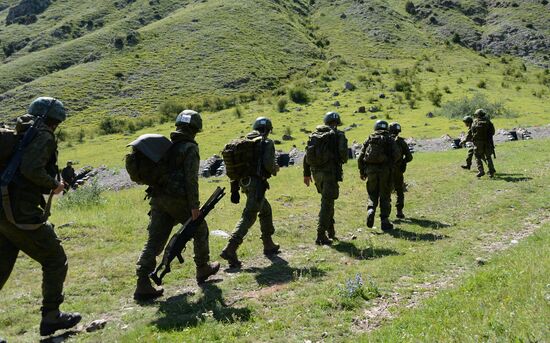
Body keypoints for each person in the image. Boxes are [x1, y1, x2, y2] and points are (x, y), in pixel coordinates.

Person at [0, 97, 82, 336]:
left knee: (1, 268)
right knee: (55, 258)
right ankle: (51, 316)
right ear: (55, 120)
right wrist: (55, 185)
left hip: (3, 213)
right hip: (20, 214)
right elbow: (31, 169)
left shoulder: (19, 134)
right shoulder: (43, 135)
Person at [134, 110, 219, 301]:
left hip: (157, 198)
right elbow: (191, 180)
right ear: (196, 128)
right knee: (200, 229)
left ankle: (142, 283)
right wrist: (194, 207)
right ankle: (203, 267)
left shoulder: (166, 146)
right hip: (178, 200)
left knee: (154, 241)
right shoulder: (189, 148)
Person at [220, 117, 280, 268]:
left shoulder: (244, 143)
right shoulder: (266, 142)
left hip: (244, 183)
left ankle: (268, 244)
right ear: (268, 129)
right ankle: (230, 248)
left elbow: (235, 168)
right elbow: (268, 163)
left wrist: (235, 190)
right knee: (249, 215)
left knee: (265, 210)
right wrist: (275, 168)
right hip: (257, 184)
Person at [303, 112, 348, 245]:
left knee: (328, 201)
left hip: (316, 173)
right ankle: (320, 235)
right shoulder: (338, 135)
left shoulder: (315, 135)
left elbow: (306, 156)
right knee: (327, 203)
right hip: (329, 173)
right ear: (337, 123)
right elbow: (344, 156)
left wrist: (306, 174)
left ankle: (331, 231)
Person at [357, 120, 399, 231]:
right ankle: (384, 221)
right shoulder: (389, 139)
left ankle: (371, 210)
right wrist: (390, 164)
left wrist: (362, 172)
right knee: (385, 195)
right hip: (385, 171)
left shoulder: (370, 139)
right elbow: (397, 155)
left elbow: (360, 157)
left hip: (371, 171)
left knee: (372, 193)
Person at [389, 122, 413, 219]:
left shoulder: (385, 140)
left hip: (387, 170)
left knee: (387, 191)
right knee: (399, 190)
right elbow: (409, 157)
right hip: (398, 170)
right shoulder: (401, 142)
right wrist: (402, 162)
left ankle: (386, 214)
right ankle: (399, 211)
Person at [471, 109, 496, 178]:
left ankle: (481, 171)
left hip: (478, 143)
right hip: (487, 142)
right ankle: (491, 172)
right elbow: (493, 132)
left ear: (477, 115)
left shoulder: (475, 122)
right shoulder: (488, 121)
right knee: (488, 157)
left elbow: (472, 131)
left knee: (477, 156)